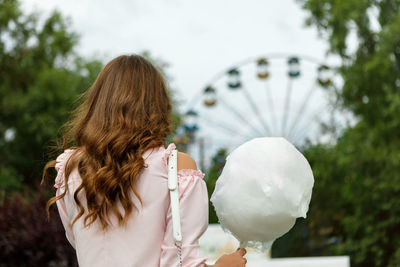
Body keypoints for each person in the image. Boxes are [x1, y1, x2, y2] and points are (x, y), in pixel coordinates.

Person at [43, 55, 247, 267]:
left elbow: (79, 243)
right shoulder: (175, 169)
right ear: (158, 105)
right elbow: (178, 262)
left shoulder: (70, 168)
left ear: (98, 104)